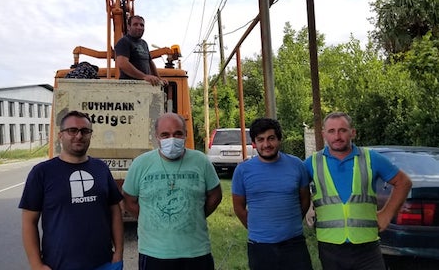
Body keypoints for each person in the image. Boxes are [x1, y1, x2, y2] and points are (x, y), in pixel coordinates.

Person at [304, 111, 412, 270]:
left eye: (343, 130)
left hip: (367, 247)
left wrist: (387, 214)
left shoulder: (371, 158)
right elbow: (293, 188)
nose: (337, 136)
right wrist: (307, 208)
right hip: (330, 247)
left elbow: (403, 182)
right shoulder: (312, 163)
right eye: (331, 131)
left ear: (352, 132)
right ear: (324, 134)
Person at [19, 110, 124, 270]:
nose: (79, 135)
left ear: (90, 135)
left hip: (104, 263)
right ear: (60, 135)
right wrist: (36, 265)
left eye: (85, 131)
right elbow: (29, 222)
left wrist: (118, 253)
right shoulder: (42, 172)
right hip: (58, 265)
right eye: (72, 130)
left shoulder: (101, 168)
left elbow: (115, 211)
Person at [122, 112, 222, 270]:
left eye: (177, 134)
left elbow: (215, 195)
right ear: (157, 137)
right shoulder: (141, 164)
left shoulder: (201, 161)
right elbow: (128, 199)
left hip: (196, 253)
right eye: (165, 135)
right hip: (154, 253)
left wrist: (195, 213)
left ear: (186, 135)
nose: (172, 139)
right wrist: (151, 216)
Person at [231, 118, 313, 270]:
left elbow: (305, 200)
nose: (266, 144)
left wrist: (290, 223)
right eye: (260, 140)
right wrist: (259, 229)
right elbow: (239, 208)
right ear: (254, 143)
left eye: (271, 138)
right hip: (260, 247)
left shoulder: (297, 165)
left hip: (294, 244)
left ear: (279, 139)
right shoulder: (243, 171)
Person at [115, 15, 167, 86]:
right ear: (129, 27)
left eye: (142, 25)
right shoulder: (124, 41)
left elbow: (150, 62)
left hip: (143, 86)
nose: (139, 27)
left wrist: (159, 78)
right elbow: (122, 64)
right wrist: (144, 76)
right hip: (129, 87)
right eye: (135, 24)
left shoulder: (144, 43)